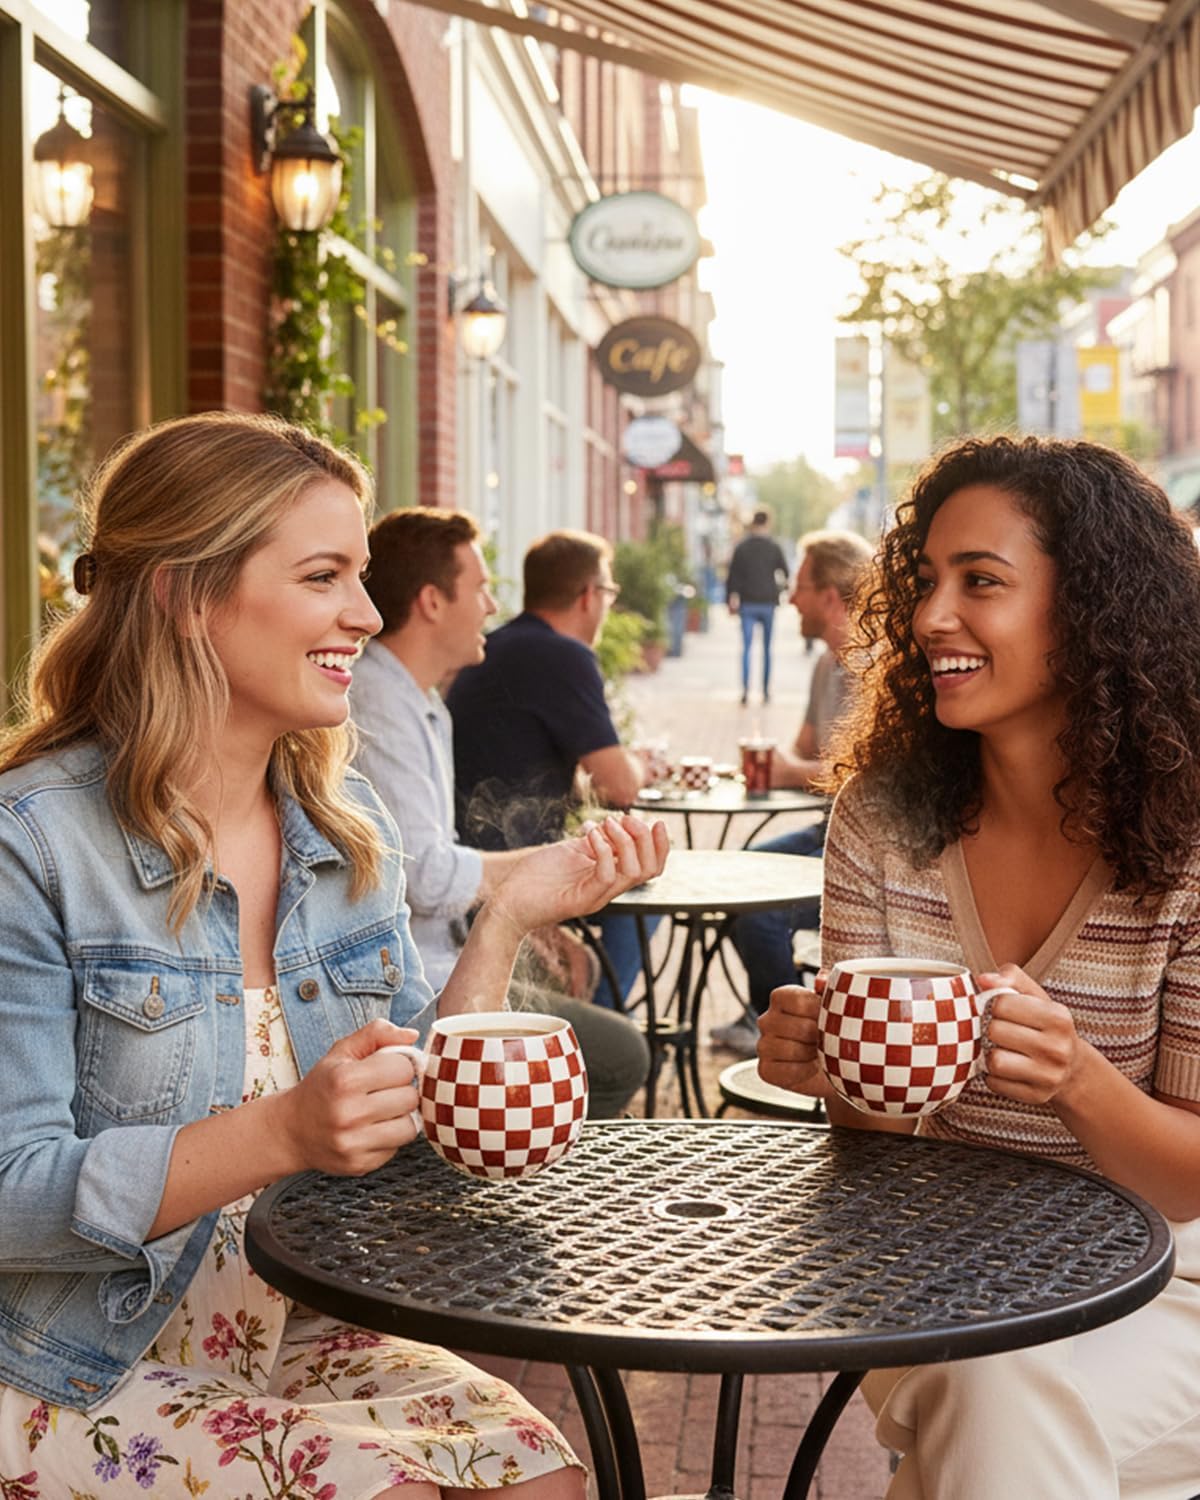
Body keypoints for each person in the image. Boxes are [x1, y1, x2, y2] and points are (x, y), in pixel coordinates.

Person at [0, 412, 668, 1498]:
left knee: (546, 1478)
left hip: (284, 1331)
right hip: (59, 1361)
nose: (366, 613)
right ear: (182, 593)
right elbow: (8, 1192)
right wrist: (283, 1131)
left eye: (361, 575)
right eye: (324, 576)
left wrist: (505, 919)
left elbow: (418, 1106)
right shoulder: (30, 842)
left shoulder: (341, 821)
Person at [758, 434, 1200, 1499]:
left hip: (1170, 1272)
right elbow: (873, 1144)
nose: (928, 618)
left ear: (1092, 607)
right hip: (938, 1261)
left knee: (991, 1408)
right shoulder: (883, 816)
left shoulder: (1190, 839)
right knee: (992, 1390)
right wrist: (837, 1069)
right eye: (925, 583)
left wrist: (1077, 1080)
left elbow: (1190, 1184)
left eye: (982, 583)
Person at [351, 505, 650, 1116]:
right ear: (433, 601)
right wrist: (549, 871)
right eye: (482, 588)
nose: (492, 605)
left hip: (440, 959)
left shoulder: (424, 699)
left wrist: (527, 915)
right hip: (416, 987)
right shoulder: (379, 702)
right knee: (622, 1053)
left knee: (586, 972)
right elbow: (426, 878)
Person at [447, 529, 654, 1007]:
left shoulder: (497, 647)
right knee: (637, 889)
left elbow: (516, 758)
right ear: (588, 596)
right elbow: (619, 785)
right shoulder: (563, 656)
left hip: (473, 857)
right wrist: (642, 764)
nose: (608, 606)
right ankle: (603, 1026)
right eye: (608, 593)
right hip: (496, 875)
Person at [714, 529, 874, 1056]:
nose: (790, 597)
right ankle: (765, 1013)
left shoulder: (872, 669)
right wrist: (776, 766)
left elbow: (867, 775)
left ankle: (798, 1041)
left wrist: (786, 772)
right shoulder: (826, 665)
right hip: (826, 828)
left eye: (800, 585)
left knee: (760, 909)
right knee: (742, 874)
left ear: (830, 596)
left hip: (865, 844)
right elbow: (807, 752)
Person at [724, 506, 788, 706]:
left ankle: (745, 690)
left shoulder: (742, 547)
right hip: (768, 602)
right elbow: (785, 572)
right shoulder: (774, 547)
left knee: (746, 649)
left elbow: (732, 575)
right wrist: (781, 589)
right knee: (768, 650)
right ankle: (766, 691)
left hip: (747, 603)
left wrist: (730, 599)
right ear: (767, 523)